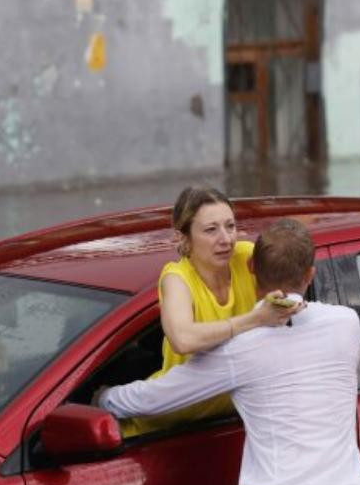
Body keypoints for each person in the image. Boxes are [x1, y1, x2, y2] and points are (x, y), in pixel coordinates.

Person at [99, 218, 360, 485]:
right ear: (310, 274)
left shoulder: (240, 350)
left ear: (252, 267)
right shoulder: (347, 323)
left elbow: (153, 399)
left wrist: (102, 397)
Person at [123, 186, 298, 436]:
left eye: (230, 226)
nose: (226, 239)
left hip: (229, 423)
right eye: (211, 230)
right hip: (162, 428)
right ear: (183, 238)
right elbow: (183, 339)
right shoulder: (177, 278)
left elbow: (293, 283)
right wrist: (256, 319)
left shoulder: (246, 257)